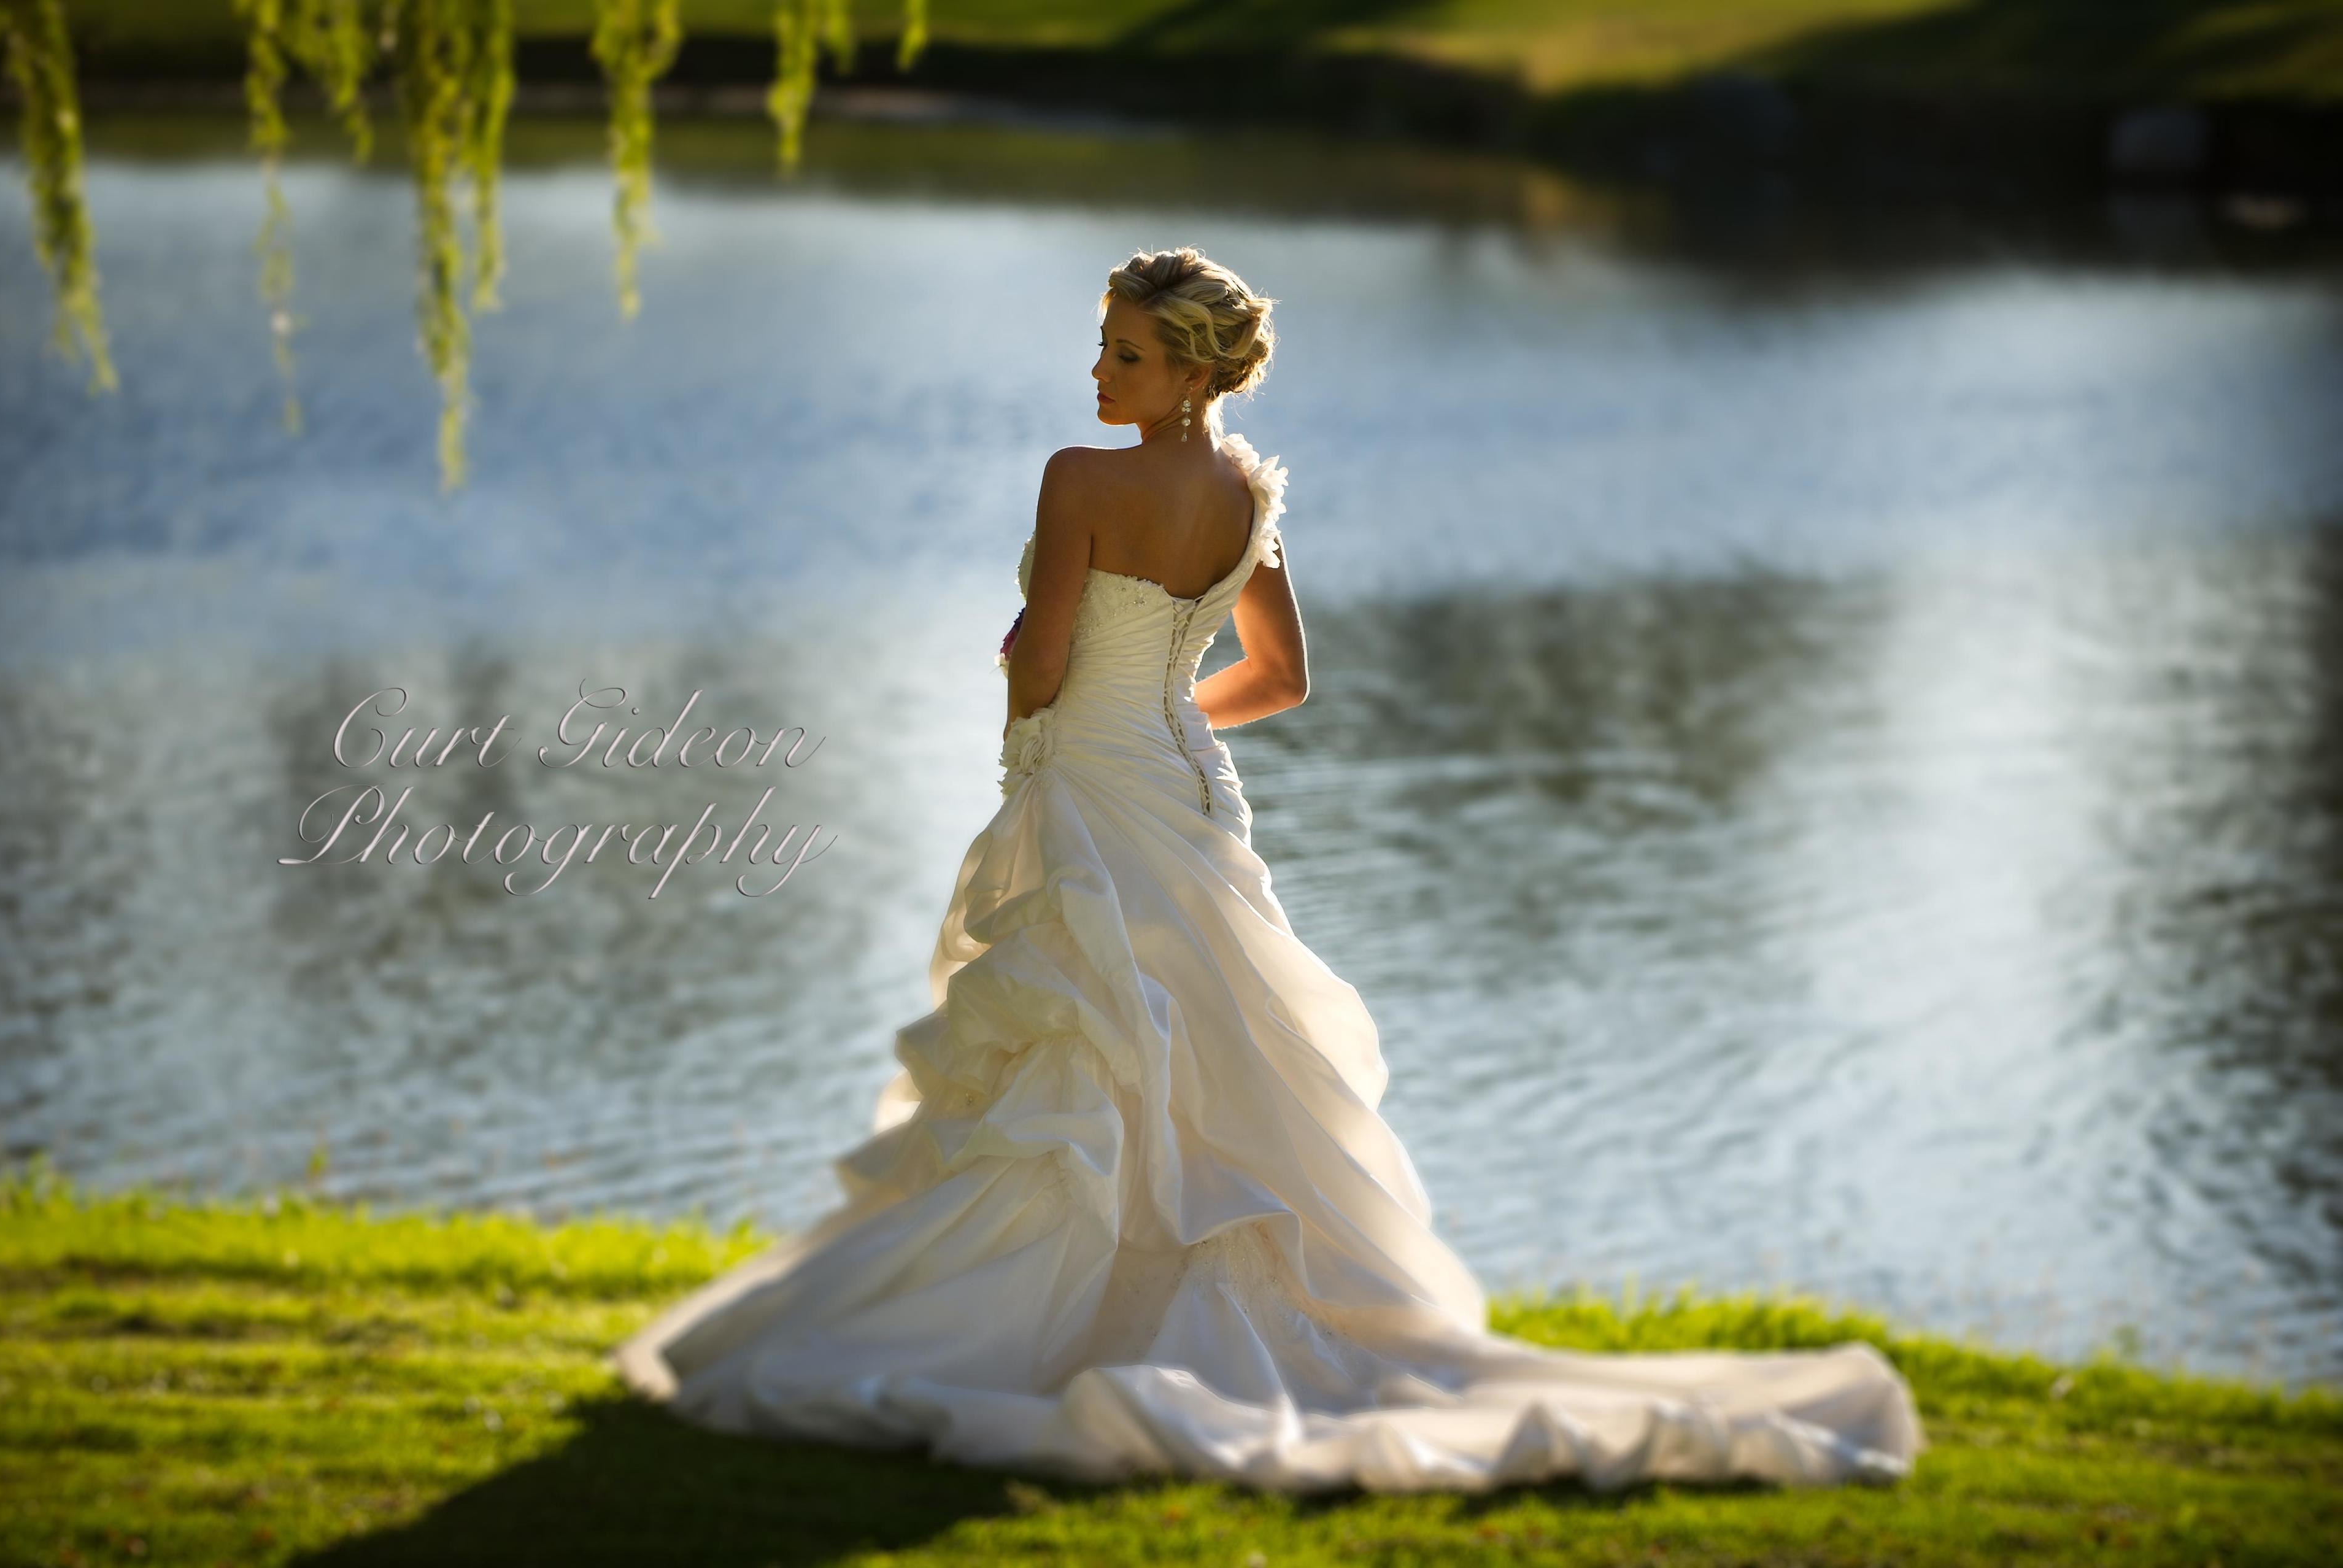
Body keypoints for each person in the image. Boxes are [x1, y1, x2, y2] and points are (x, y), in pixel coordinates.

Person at [609, 246, 1926, 1493]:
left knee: (1086, 1047)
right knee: (1198, 1053)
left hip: (1094, 783)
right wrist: (1170, 717)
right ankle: (1178, 1308)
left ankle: (1045, 1318)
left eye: (1123, 354)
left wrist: (1033, 749)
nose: (1098, 376)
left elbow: (1040, 658)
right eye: (1100, 350)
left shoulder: (1081, 478)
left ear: (1188, 369)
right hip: (1190, 785)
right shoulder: (1250, 496)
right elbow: (1282, 678)